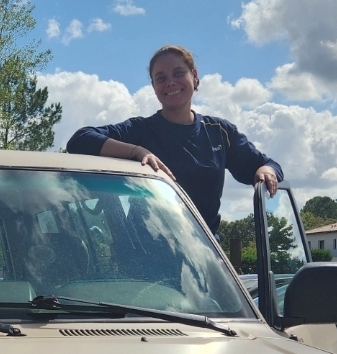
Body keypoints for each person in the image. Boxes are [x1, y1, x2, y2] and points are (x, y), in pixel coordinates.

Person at [66, 44, 282, 236]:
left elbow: (267, 166)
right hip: (146, 254)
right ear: (153, 86)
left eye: (178, 73)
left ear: (194, 76)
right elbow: (80, 140)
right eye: (161, 78)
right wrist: (138, 152)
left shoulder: (219, 132)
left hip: (203, 255)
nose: (170, 82)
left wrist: (267, 172)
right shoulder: (140, 130)